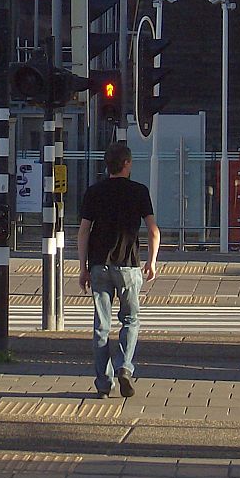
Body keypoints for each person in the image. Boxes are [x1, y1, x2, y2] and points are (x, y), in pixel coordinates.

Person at [77, 143, 160, 399]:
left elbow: (83, 231)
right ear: (127, 164)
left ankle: (104, 383)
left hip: (99, 265)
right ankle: (124, 366)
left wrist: (83, 268)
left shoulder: (94, 192)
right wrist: (152, 261)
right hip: (129, 265)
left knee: (101, 326)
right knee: (130, 320)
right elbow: (153, 231)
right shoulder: (139, 191)